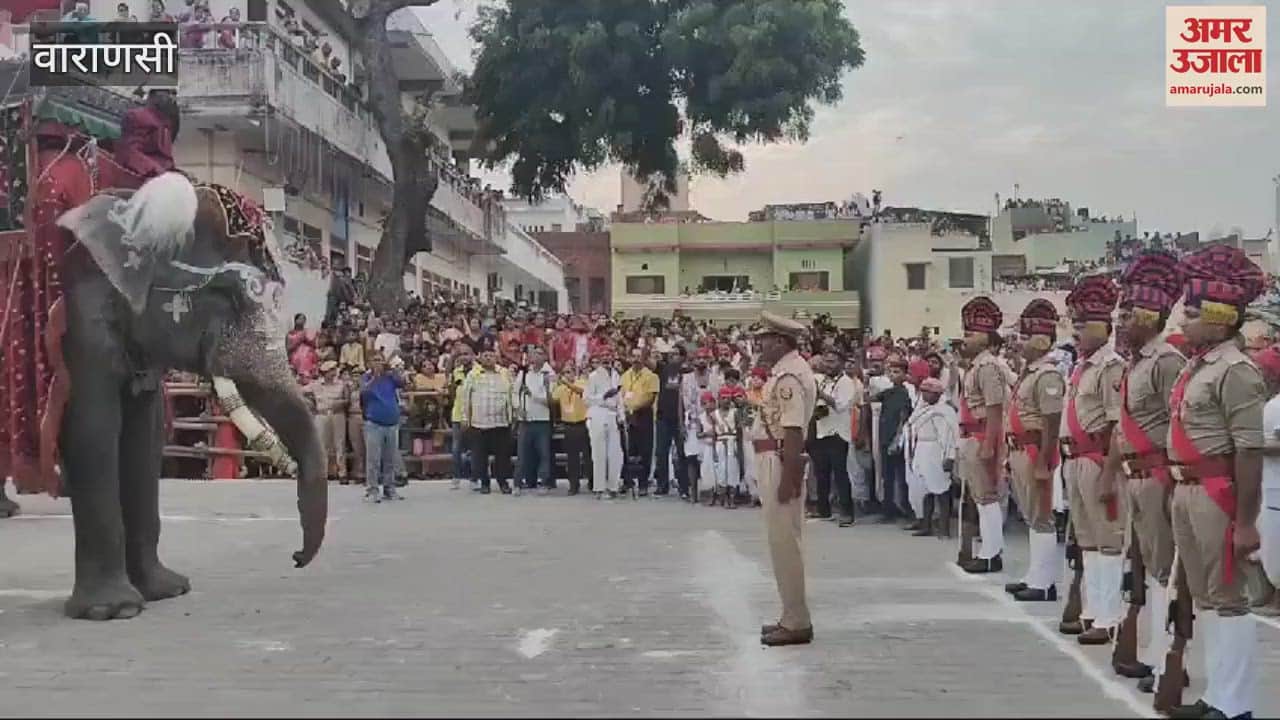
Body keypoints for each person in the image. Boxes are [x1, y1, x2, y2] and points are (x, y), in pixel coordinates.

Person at [1164, 245, 1266, 720]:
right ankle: (1216, 696)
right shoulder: (1197, 366)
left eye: (1192, 313)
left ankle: (1235, 704)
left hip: (1216, 493)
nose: (1183, 321)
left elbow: (1248, 450)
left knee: (1229, 597)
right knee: (1207, 596)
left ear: (1221, 320)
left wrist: (1245, 522)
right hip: (1187, 489)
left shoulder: (1236, 371)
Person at [1104, 250, 1186, 690]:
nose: (1121, 322)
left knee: (1164, 570)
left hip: (1157, 477)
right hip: (1135, 476)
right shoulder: (1136, 362)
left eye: (1129, 314)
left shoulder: (1166, 362)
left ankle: (1167, 658)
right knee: (1146, 567)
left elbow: (1179, 424)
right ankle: (1152, 652)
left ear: (1151, 317)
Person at [1059, 275, 1125, 645]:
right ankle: (1092, 610)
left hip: (1098, 460)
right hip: (1075, 460)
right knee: (1087, 539)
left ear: (1104, 327)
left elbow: (1117, 426)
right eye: (1076, 324)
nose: (1077, 332)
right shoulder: (1081, 366)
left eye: (1084, 325)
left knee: (1108, 539)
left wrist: (1109, 475)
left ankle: (1109, 617)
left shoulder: (1110, 367)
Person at [753, 312, 817, 647]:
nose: (760, 345)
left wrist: (788, 478)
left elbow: (793, 431)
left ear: (780, 341)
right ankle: (790, 615)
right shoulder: (787, 370)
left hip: (779, 460)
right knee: (782, 542)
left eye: (764, 339)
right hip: (776, 457)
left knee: (785, 544)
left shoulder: (789, 376)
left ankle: (796, 620)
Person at [1002, 299, 1066, 602]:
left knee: (1042, 515)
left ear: (1042, 340)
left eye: (1026, 337)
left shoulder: (1047, 375)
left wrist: (1044, 461)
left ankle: (1044, 582)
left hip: (1034, 450)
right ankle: (1034, 574)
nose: (1019, 343)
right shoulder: (1029, 372)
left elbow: (1052, 421)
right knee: (1031, 514)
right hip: (1019, 449)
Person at [957, 296, 1009, 574]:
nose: (966, 338)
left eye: (972, 333)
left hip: (981, 436)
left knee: (987, 498)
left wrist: (989, 445)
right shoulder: (975, 366)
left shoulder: (987, 367)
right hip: (971, 435)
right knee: (980, 497)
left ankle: (991, 553)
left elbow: (995, 408)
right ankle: (988, 550)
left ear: (987, 337)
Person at [904, 377, 959, 537]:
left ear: (938, 394)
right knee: (924, 489)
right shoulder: (921, 409)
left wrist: (949, 457)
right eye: (924, 391)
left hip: (936, 451)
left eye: (929, 392)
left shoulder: (944, 412)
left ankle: (944, 528)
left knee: (941, 490)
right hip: (921, 451)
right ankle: (926, 525)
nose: (925, 395)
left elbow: (949, 437)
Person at [809, 352, 857, 526]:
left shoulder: (846, 382)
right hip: (822, 430)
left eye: (832, 362)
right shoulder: (824, 380)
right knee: (821, 473)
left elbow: (840, 405)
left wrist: (821, 395)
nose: (828, 365)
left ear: (841, 363)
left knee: (840, 474)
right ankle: (824, 510)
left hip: (838, 433)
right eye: (826, 361)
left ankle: (847, 513)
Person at [461, 349, 514, 495]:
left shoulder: (504, 373)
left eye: (491, 355)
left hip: (501, 422)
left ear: (496, 357)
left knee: (503, 456)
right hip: (479, 422)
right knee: (480, 457)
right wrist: (465, 418)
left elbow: (512, 395)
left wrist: (513, 416)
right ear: (480, 357)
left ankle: (503, 482)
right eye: (485, 355)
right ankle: (484, 483)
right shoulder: (473, 374)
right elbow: (466, 397)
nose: (488, 358)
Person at [1252, 344, 1280, 617]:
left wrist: (1251, 446)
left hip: (1276, 488)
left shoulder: (1277, 405)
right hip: (1267, 485)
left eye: (1263, 371)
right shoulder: (1267, 405)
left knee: (1275, 545)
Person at [360, 352, 406, 502]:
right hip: (374, 424)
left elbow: (403, 382)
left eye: (380, 360)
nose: (378, 363)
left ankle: (389, 488)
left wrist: (392, 370)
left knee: (390, 459)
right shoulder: (366, 377)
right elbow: (364, 392)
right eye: (375, 360)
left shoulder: (389, 377)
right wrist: (375, 377)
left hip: (392, 423)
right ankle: (372, 490)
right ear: (369, 363)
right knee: (373, 460)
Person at [516, 347, 556, 494]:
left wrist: (532, 395)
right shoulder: (524, 374)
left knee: (543, 453)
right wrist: (518, 408)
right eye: (534, 353)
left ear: (545, 357)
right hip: (525, 419)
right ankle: (520, 482)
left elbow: (550, 399)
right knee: (523, 453)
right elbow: (515, 392)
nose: (535, 356)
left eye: (539, 353)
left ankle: (543, 482)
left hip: (542, 419)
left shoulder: (549, 375)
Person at [586, 347, 624, 499]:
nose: (607, 358)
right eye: (604, 355)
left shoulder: (616, 375)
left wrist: (621, 416)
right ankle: (599, 488)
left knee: (615, 453)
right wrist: (603, 396)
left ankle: (613, 486)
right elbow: (587, 399)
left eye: (609, 355)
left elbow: (620, 397)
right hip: (598, 414)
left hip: (613, 415)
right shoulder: (593, 376)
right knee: (599, 453)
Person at [622, 348, 659, 495]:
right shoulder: (625, 376)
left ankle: (643, 484)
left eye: (639, 356)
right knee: (629, 450)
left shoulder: (651, 376)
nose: (636, 359)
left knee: (645, 451)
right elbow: (621, 394)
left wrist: (635, 408)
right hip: (627, 415)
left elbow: (650, 398)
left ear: (644, 359)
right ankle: (628, 482)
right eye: (634, 356)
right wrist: (626, 410)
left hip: (644, 415)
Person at [653, 339, 687, 497]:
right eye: (670, 354)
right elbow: (647, 361)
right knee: (661, 452)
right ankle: (662, 485)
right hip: (663, 417)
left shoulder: (687, 371)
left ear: (682, 357)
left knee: (681, 453)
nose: (672, 356)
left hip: (680, 418)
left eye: (676, 354)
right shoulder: (663, 369)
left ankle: (684, 486)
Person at [306, 360, 350, 483]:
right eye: (330, 370)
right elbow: (301, 391)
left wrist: (341, 403)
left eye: (334, 370)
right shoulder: (316, 385)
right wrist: (310, 403)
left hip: (337, 414)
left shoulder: (341, 384)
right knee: (322, 445)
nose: (333, 372)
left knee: (339, 444)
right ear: (324, 373)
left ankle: (342, 473)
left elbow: (347, 400)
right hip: (322, 414)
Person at [552, 364, 591, 495]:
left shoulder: (582, 382)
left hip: (583, 424)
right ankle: (574, 484)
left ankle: (592, 481)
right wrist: (552, 384)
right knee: (572, 457)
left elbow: (581, 391)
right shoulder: (561, 388)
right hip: (568, 425)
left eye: (569, 372)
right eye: (565, 372)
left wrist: (566, 383)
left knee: (588, 456)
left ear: (575, 373)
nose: (567, 375)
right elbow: (553, 398)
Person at [450, 344, 476, 490]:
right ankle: (456, 476)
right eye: (461, 354)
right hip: (458, 414)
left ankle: (474, 477)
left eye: (466, 354)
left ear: (472, 355)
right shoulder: (456, 371)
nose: (464, 357)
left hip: (475, 414)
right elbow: (455, 390)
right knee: (456, 448)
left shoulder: (479, 371)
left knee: (475, 447)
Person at [287, 314, 319, 380]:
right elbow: (288, 348)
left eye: (304, 319)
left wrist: (306, 339)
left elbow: (315, 345)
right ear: (295, 320)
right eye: (300, 319)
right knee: (300, 358)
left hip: (308, 356)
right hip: (295, 357)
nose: (302, 321)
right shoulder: (290, 333)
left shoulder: (308, 332)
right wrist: (299, 340)